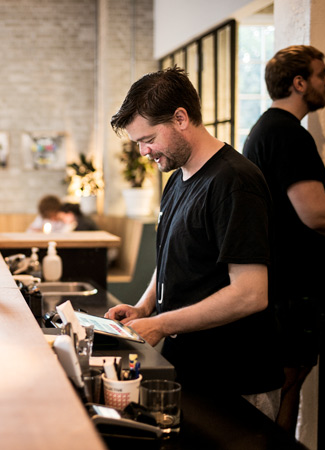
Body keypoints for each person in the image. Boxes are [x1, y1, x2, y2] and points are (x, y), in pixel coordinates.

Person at [106, 67, 283, 418]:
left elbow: (250, 293)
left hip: (236, 378)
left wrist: (160, 324)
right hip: (194, 371)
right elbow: (172, 255)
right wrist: (145, 308)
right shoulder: (179, 178)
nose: (143, 152)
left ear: (181, 118)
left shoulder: (234, 181)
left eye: (148, 138)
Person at [242, 45, 325, 435]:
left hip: (282, 284)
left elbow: (297, 193)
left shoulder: (267, 129)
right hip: (292, 287)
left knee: (287, 382)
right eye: (321, 74)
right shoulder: (290, 136)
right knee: (287, 382)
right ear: (299, 83)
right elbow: (314, 213)